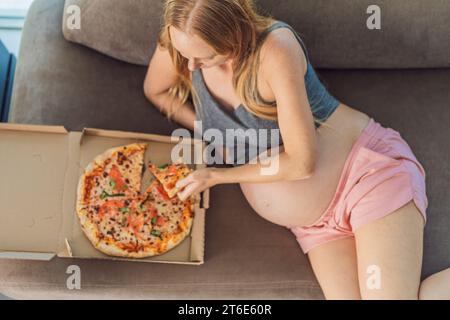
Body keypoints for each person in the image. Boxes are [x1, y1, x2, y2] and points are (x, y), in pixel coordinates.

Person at [144, 0, 450, 299]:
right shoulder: (183, 45)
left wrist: (219, 176)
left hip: (365, 179)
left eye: (205, 57)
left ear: (232, 37)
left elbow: (302, 163)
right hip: (316, 227)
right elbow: (155, 91)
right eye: (184, 54)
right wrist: (213, 132)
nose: (190, 66)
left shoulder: (275, 50)